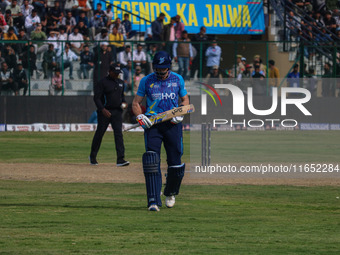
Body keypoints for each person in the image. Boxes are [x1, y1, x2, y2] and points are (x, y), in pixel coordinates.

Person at [132, 51, 189, 212]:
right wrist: (140, 117)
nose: (160, 72)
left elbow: (185, 100)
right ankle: (153, 200)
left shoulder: (178, 79)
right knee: (151, 160)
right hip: (153, 124)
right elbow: (136, 103)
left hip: (172, 123)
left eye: (163, 69)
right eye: (157, 68)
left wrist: (181, 114)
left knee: (175, 162)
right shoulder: (146, 80)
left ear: (169, 67)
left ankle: (170, 192)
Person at [89, 63, 129, 167]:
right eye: (115, 73)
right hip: (105, 112)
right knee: (100, 133)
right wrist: (102, 109)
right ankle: (93, 157)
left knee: (118, 135)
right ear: (110, 72)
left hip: (117, 112)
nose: (117, 75)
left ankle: (120, 159)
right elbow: (96, 98)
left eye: (118, 73)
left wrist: (124, 104)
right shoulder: (102, 82)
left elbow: (122, 98)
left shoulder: (121, 83)